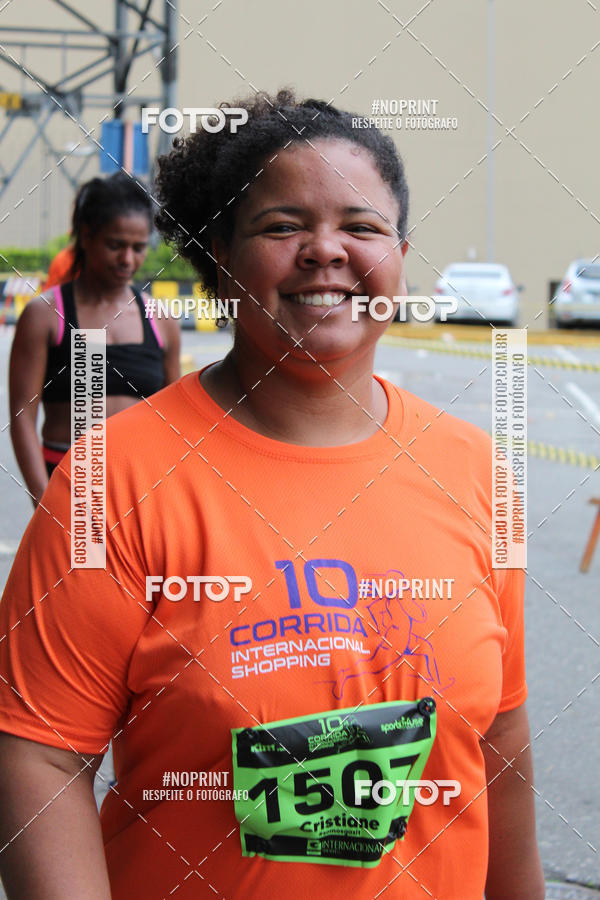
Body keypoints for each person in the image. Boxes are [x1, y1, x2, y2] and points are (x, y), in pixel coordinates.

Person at [0, 91, 544, 899]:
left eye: (361, 226)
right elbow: (40, 755)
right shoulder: (108, 482)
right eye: (283, 226)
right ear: (220, 256)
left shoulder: (476, 472)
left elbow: (500, 738)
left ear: (400, 253)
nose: (325, 250)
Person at [8, 172, 181, 506]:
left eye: (138, 248)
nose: (127, 260)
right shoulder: (46, 315)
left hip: (142, 488)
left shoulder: (160, 319)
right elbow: (22, 418)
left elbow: (173, 419)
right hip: (70, 483)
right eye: (115, 245)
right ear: (86, 236)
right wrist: (45, 504)